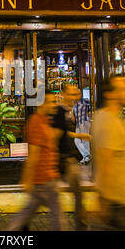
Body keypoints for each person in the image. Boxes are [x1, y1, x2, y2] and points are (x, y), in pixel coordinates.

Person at [90, 76, 125, 230]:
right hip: (120, 201)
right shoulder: (110, 122)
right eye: (124, 89)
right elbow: (106, 161)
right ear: (110, 94)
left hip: (124, 197)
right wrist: (103, 201)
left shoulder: (103, 116)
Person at [7, 93, 63, 231]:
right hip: (44, 179)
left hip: (46, 178)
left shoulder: (45, 121)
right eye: (51, 102)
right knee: (58, 216)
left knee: (28, 212)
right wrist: (26, 179)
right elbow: (33, 155)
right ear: (41, 104)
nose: (54, 105)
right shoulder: (36, 123)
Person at [51, 84, 91, 230]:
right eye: (73, 94)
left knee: (76, 194)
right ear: (64, 94)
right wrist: (80, 135)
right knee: (54, 197)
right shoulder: (59, 111)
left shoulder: (68, 110)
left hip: (67, 158)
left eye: (77, 94)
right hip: (62, 159)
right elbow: (57, 134)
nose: (75, 97)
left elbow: (63, 132)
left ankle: (79, 225)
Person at [73, 97, 91, 164]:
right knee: (76, 141)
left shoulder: (83, 101)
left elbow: (89, 102)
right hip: (78, 124)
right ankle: (86, 155)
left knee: (84, 140)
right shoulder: (74, 105)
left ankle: (86, 157)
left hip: (84, 121)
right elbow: (74, 116)